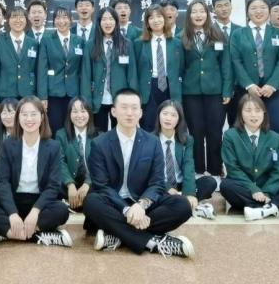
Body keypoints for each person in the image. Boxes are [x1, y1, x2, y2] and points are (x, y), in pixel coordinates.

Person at [83, 89, 194, 257]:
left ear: (141, 113)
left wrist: (141, 205)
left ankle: (118, 235)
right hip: (114, 204)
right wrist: (127, 210)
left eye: (134, 108)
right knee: (91, 201)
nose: (129, 113)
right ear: (113, 111)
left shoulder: (153, 142)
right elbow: (102, 186)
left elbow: (157, 183)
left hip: (142, 202)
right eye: (124, 107)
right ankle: (152, 242)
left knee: (182, 205)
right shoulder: (99, 144)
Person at [0, 96, 73, 247]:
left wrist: (35, 211)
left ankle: (8, 234)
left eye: (33, 114)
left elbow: (53, 186)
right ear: (18, 118)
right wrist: (12, 213)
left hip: (40, 202)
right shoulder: (9, 145)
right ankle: (42, 235)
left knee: (62, 210)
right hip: (15, 200)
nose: (29, 119)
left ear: (42, 117)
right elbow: (3, 182)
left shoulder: (53, 147)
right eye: (24, 114)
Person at [220, 93, 279, 221]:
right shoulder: (230, 136)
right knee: (226, 186)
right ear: (240, 114)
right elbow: (232, 168)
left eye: (258, 110)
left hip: (271, 187)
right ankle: (277, 207)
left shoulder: (275, 137)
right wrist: (253, 189)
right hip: (245, 187)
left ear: (264, 113)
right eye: (248, 110)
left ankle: (261, 209)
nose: (253, 115)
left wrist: (267, 192)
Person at [180, 0, 231, 176]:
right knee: (195, 132)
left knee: (215, 132)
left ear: (207, 14)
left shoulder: (218, 35)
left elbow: (226, 65)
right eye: (194, 11)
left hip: (215, 92)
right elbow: (179, 68)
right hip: (191, 92)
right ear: (189, 15)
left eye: (202, 11)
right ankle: (198, 169)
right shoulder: (181, 37)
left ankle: (216, 170)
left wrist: (227, 90)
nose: (198, 15)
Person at [229, 0, 279, 139]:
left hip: (274, 89)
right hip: (246, 89)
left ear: (269, 11)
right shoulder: (237, 34)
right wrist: (249, 85)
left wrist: (272, 85)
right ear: (247, 12)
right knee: (244, 129)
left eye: (263, 8)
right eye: (254, 8)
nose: (258, 11)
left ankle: (276, 154)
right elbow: (235, 61)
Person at [155, 100, 217, 220]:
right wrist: (168, 188)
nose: (168, 118)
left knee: (210, 182)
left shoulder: (186, 140)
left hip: (181, 186)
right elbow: (151, 171)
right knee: (152, 191)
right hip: (161, 185)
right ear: (158, 116)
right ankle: (186, 206)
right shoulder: (150, 139)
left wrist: (189, 193)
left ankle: (181, 202)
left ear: (179, 119)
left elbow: (189, 166)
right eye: (165, 113)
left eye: (173, 115)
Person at [81, 7, 137, 132]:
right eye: (104, 19)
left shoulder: (126, 44)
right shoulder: (91, 45)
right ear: (99, 23)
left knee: (121, 133)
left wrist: (132, 100)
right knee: (98, 134)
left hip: (120, 98)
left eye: (111, 19)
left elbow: (132, 75)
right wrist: (86, 101)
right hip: (98, 99)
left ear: (116, 22)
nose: (108, 23)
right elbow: (86, 75)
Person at [134, 4, 183, 133]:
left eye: (159, 16)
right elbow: (135, 71)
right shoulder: (139, 43)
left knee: (169, 124)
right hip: (149, 87)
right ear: (147, 22)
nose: (156, 20)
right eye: (151, 18)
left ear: (165, 19)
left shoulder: (176, 43)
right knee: (149, 124)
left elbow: (181, 67)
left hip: (170, 86)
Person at [37, 6, 84, 134]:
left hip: (74, 93)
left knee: (73, 128)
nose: (61, 21)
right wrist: (42, 96)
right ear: (53, 21)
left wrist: (83, 94)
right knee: (55, 127)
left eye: (65, 17)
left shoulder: (79, 41)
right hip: (54, 93)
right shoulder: (47, 40)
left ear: (71, 20)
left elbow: (82, 70)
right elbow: (42, 70)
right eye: (58, 18)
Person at [0, 6, 37, 114]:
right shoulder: (0, 41)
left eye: (21, 17)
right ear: (8, 21)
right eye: (14, 17)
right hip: (5, 94)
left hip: (28, 94)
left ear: (26, 20)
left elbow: (36, 71)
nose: (18, 20)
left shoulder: (33, 43)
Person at [55, 97, 97, 214]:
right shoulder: (61, 134)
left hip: (90, 183)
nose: (79, 115)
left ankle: (76, 203)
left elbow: (99, 165)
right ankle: (76, 203)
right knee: (52, 183)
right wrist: (70, 184)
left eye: (83, 111)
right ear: (69, 114)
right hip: (67, 184)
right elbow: (60, 161)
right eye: (75, 111)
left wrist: (87, 183)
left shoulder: (98, 135)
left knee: (100, 188)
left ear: (89, 113)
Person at [212, 0, 244, 127]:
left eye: (226, 5)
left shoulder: (242, 31)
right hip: (217, 86)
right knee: (215, 125)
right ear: (214, 9)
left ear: (231, 7)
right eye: (219, 6)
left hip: (239, 85)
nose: (223, 9)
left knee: (237, 124)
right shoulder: (208, 31)